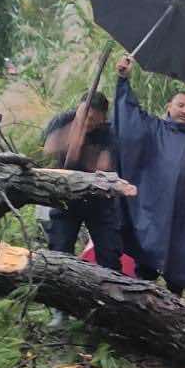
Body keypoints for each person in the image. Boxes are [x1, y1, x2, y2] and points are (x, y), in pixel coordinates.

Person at [111, 54, 185, 296]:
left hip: (183, 212)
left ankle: (174, 304)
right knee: (146, 262)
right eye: (180, 105)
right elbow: (130, 117)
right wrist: (123, 79)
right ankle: (142, 300)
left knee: (179, 259)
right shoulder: (153, 129)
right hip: (152, 208)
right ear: (169, 106)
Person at [40, 93, 123, 271]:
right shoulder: (63, 120)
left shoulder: (109, 132)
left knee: (109, 255)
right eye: (84, 115)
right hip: (65, 195)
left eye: (93, 119)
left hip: (99, 200)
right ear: (78, 107)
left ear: (102, 118)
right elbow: (48, 149)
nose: (87, 121)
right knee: (59, 250)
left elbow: (104, 166)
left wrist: (82, 149)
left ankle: (111, 285)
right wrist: (70, 138)